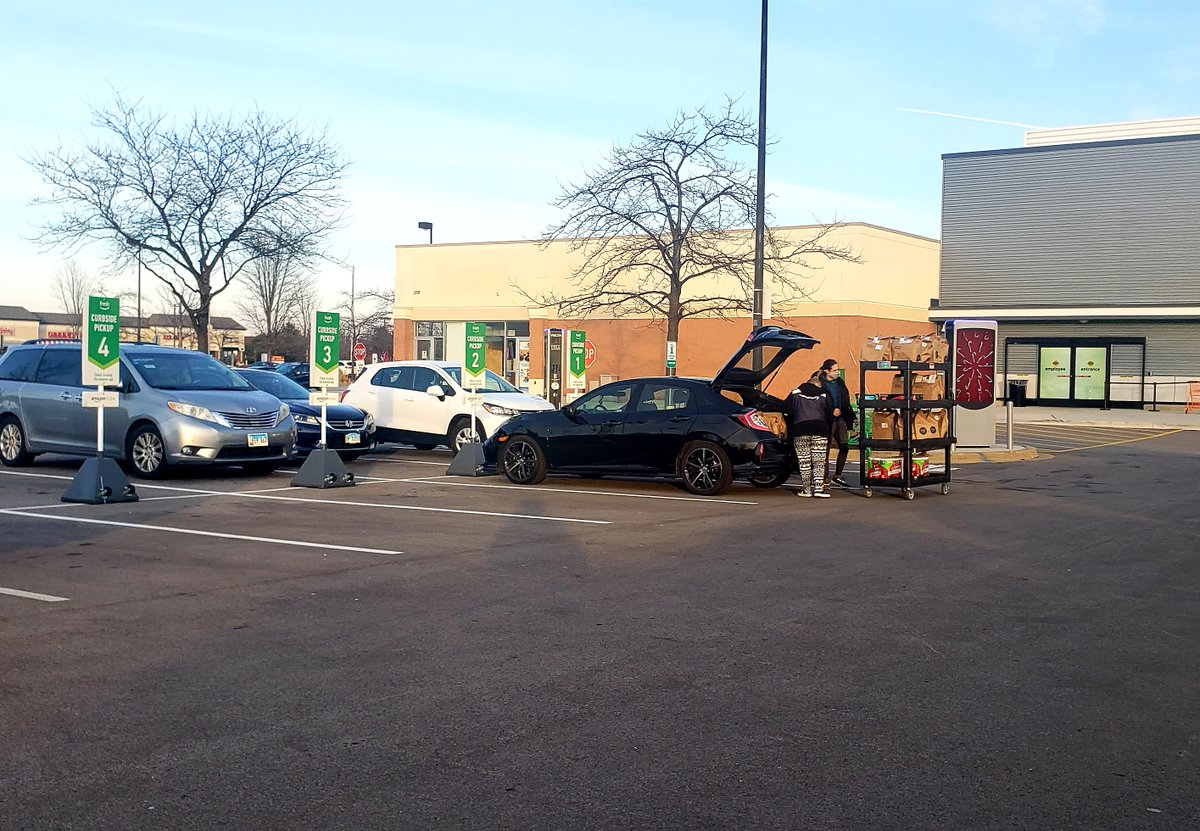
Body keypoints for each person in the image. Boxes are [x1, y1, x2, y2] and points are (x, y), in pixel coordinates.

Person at [810, 359, 856, 488]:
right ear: (827, 371)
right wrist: (831, 411)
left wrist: (851, 417)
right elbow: (817, 402)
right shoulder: (819, 383)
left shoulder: (839, 382)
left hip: (841, 418)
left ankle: (838, 475)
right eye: (835, 370)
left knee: (844, 446)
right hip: (827, 419)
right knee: (826, 447)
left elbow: (845, 398)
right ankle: (824, 478)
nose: (837, 372)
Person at [786, 374, 834, 498]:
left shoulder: (795, 393)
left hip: (800, 429)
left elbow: (785, 408)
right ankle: (819, 489)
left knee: (804, 462)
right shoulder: (824, 395)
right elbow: (829, 413)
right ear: (818, 385)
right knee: (819, 461)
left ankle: (806, 489)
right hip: (820, 429)